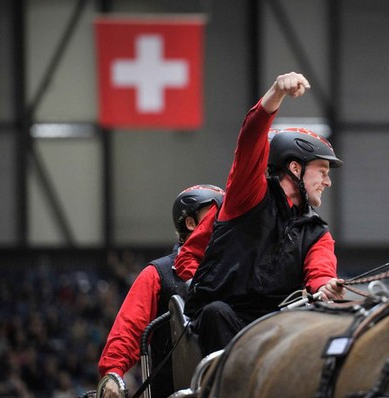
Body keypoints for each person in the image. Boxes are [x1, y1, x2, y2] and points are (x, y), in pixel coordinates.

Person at [183, 72, 346, 356]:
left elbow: (320, 273)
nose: (327, 181)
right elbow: (250, 141)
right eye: (322, 171)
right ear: (295, 168)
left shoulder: (317, 233)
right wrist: (276, 94)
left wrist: (326, 287)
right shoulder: (248, 196)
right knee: (215, 312)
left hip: (276, 327)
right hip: (223, 321)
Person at [97, 184, 224, 398]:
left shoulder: (233, 268)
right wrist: (113, 373)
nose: (222, 219)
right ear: (191, 223)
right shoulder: (157, 273)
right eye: (214, 213)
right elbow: (127, 328)